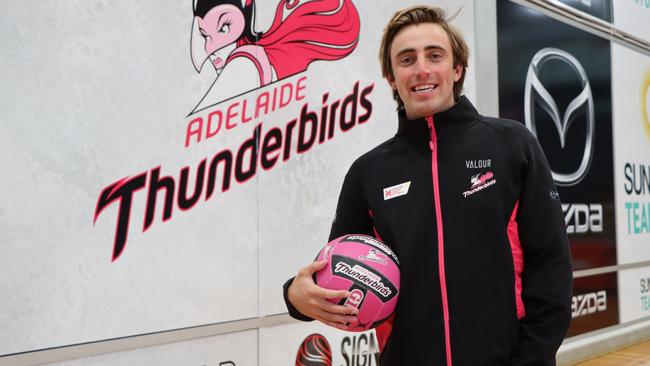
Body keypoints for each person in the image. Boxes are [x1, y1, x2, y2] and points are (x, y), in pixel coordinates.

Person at [283, 5, 573, 365]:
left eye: (434, 56)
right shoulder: (368, 172)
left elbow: (551, 266)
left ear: (456, 69)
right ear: (391, 77)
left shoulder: (512, 146)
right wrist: (295, 297)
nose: (422, 69)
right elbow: (339, 275)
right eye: (406, 60)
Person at [189, 0, 360, 113]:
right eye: (204, 35)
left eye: (223, 28)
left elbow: (198, 121)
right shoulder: (257, 58)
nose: (211, 49)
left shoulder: (243, 62)